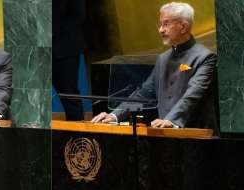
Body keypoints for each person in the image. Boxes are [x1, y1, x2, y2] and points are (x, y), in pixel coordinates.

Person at [92, 2, 218, 134]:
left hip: (197, 136)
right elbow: (144, 95)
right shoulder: (163, 59)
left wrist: (172, 121)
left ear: (183, 26)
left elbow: (191, 96)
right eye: (160, 24)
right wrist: (115, 115)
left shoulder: (205, 57)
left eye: (166, 24)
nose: (161, 30)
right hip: (165, 134)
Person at [53, 0, 86, 121]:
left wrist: (48, 30)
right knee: (34, 96)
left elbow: (78, 15)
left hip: (65, 48)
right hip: (35, 49)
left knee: (70, 96)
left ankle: (77, 138)